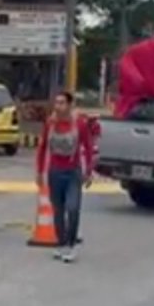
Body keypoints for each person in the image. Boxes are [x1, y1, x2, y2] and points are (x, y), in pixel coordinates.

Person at [35, 91, 94, 263]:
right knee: (58, 210)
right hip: (55, 172)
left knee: (73, 208)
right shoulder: (50, 124)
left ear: (69, 105)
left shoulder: (79, 124)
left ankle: (71, 243)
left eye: (62, 103)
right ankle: (61, 244)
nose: (58, 106)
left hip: (73, 173)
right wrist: (40, 172)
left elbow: (88, 147)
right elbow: (42, 147)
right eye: (56, 103)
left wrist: (88, 171)